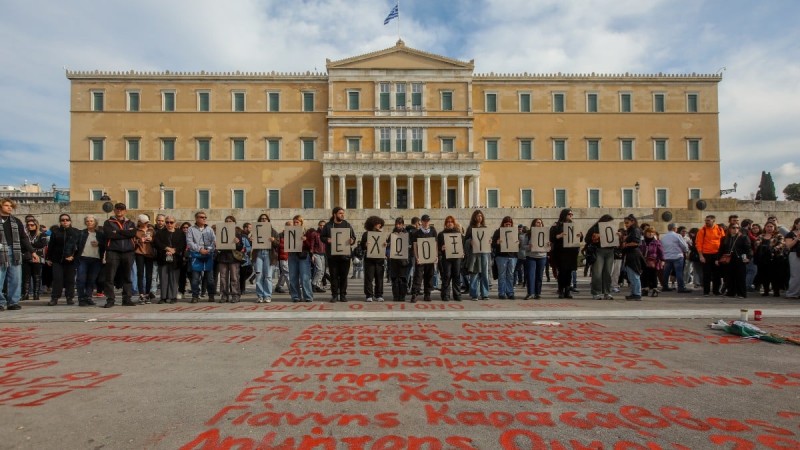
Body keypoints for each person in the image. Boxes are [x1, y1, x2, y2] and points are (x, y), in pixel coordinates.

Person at [0, 198, 39, 311]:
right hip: (1, 251)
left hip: (15, 251)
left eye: (11, 206)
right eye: (7, 205)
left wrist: (32, 252)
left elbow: (23, 238)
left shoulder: (16, 221)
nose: (9, 207)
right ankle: (1, 302)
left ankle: (13, 302)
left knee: (16, 279)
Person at [102, 203, 138, 307]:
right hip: (113, 251)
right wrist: (125, 233)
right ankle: (110, 299)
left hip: (128, 252)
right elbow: (109, 235)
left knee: (127, 276)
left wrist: (118, 232)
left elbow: (133, 233)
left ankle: (127, 299)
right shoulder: (108, 222)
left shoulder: (130, 222)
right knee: (110, 277)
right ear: (114, 210)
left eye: (122, 209)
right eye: (117, 209)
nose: (119, 211)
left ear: (125, 211)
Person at [321, 207, 356, 303]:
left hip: (345, 256)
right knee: (334, 276)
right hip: (333, 256)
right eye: (340, 213)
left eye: (343, 213)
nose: (342, 215)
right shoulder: (328, 226)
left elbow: (353, 237)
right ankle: (334, 295)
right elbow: (322, 237)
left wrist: (352, 240)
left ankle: (343, 295)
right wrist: (327, 239)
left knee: (344, 276)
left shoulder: (347, 225)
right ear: (334, 214)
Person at [46, 214, 81, 305]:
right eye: (62, 220)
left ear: (70, 221)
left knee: (70, 279)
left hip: (70, 260)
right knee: (57, 279)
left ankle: (69, 297)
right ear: (60, 222)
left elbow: (79, 247)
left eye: (67, 219)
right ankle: (55, 297)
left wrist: (73, 256)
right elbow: (51, 246)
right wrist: (48, 258)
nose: (65, 221)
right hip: (57, 260)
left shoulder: (76, 232)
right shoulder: (56, 232)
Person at [153, 215, 186, 304]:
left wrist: (174, 250)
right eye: (167, 222)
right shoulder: (160, 233)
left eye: (171, 222)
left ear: (174, 223)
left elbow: (182, 244)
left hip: (176, 259)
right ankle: (163, 297)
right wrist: (167, 248)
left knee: (174, 278)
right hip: (163, 257)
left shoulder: (180, 233)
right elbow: (156, 243)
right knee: (163, 278)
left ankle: (172, 296)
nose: (169, 224)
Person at [186, 211, 216, 303]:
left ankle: (211, 295)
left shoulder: (209, 229)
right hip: (196, 255)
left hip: (208, 255)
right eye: (201, 217)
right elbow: (190, 242)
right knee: (195, 278)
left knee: (210, 278)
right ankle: (195, 295)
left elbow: (214, 242)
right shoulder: (191, 229)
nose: (204, 219)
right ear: (196, 218)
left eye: (205, 217)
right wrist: (200, 249)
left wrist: (208, 249)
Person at [75, 215, 105, 306]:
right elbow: (74, 244)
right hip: (83, 258)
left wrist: (99, 244)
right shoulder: (81, 233)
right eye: (87, 221)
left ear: (95, 222)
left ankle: (88, 297)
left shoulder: (100, 234)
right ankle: (81, 298)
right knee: (81, 279)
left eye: (91, 221)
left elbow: (105, 245)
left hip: (95, 259)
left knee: (91, 280)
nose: (89, 223)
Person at [549, 209, 579, 299]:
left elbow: (578, 238)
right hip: (561, 252)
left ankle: (567, 291)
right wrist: (559, 236)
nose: (571, 215)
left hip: (571, 252)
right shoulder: (556, 225)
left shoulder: (573, 225)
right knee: (562, 272)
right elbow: (551, 237)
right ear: (564, 214)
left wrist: (580, 236)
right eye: (569, 214)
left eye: (572, 214)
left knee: (569, 272)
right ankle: (561, 290)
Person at [717, 222, 752, 298]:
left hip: (739, 259)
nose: (735, 229)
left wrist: (748, 258)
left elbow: (748, 249)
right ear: (729, 229)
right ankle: (731, 292)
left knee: (740, 277)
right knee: (729, 277)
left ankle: (742, 293)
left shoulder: (743, 237)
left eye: (737, 228)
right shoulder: (724, 238)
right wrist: (717, 259)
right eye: (733, 228)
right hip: (728, 259)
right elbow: (721, 250)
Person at [585, 214, 615, 300]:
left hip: (610, 251)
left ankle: (607, 292)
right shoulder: (595, 228)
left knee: (608, 273)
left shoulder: (612, 228)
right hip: (599, 250)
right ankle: (596, 292)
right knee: (597, 273)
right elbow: (587, 239)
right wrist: (595, 237)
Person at [754, 222, 788, 297]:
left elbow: (781, 244)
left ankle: (776, 291)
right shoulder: (761, 236)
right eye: (768, 226)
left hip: (775, 259)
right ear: (765, 227)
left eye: (771, 226)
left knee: (775, 276)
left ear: (774, 227)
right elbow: (756, 244)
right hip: (763, 259)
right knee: (764, 275)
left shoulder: (778, 236)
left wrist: (773, 248)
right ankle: (766, 291)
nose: (769, 228)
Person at [410, 214, 438, 302]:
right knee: (418, 276)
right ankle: (415, 294)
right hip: (420, 258)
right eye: (424, 221)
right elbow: (415, 246)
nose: (426, 222)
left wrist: (436, 256)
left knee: (429, 276)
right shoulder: (417, 233)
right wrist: (417, 257)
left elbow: (435, 245)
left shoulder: (433, 231)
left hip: (430, 258)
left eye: (427, 221)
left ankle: (427, 294)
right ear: (421, 222)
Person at [215, 216, 244, 303]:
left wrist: (238, 242)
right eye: (226, 221)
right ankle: (224, 295)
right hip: (223, 258)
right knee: (223, 278)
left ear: (234, 223)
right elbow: (218, 248)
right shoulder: (220, 232)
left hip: (233, 258)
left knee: (234, 277)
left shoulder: (238, 233)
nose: (228, 222)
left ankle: (235, 295)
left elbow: (240, 248)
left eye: (230, 221)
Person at [696, 215, 725, 297]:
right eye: (706, 220)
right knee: (706, 274)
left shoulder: (719, 229)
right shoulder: (702, 230)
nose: (706, 222)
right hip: (706, 254)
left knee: (717, 274)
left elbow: (723, 242)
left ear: (713, 220)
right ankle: (706, 291)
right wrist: (701, 256)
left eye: (708, 220)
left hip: (717, 254)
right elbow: (698, 244)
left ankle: (716, 291)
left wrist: (722, 254)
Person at [253, 213, 278, 303]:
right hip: (258, 253)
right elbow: (251, 243)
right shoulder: (255, 230)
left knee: (268, 276)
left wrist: (274, 240)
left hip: (269, 254)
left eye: (265, 219)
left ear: (268, 220)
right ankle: (260, 295)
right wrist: (251, 240)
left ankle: (267, 295)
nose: (263, 220)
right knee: (259, 275)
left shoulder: (273, 231)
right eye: (262, 219)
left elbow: (278, 244)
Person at [360, 216, 386, 302]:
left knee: (379, 278)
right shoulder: (366, 234)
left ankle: (379, 295)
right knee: (369, 278)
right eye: (378, 223)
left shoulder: (382, 234)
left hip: (379, 260)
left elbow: (384, 246)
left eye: (380, 224)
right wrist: (365, 245)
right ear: (373, 224)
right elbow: (361, 246)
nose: (379, 225)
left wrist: (385, 245)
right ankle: (369, 295)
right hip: (369, 260)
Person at [465, 210, 490, 301]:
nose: (479, 217)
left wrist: (489, 241)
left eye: (481, 216)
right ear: (474, 217)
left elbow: (487, 239)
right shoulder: (470, 228)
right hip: (474, 254)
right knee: (474, 273)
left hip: (484, 253)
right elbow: (466, 240)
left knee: (484, 274)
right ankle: (474, 294)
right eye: (477, 216)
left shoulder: (485, 228)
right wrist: (469, 242)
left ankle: (485, 293)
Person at [288, 215, 313, 303]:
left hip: (303, 256)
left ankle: (308, 296)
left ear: (301, 223)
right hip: (292, 255)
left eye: (297, 222)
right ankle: (295, 296)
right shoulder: (289, 232)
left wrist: (305, 240)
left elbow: (311, 246)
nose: (295, 224)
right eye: (294, 222)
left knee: (305, 277)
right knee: (293, 277)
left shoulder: (307, 232)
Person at [437, 215, 463, 302]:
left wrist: (462, 253)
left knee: (456, 275)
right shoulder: (441, 234)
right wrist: (442, 248)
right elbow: (437, 247)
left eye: (451, 222)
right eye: (448, 222)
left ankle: (457, 295)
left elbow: (462, 246)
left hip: (456, 258)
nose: (449, 223)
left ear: (454, 223)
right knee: (446, 276)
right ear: (445, 223)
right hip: (446, 258)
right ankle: (445, 295)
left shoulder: (458, 234)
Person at [660, 223, 691, 293]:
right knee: (679, 272)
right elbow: (684, 245)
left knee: (666, 272)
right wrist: (685, 250)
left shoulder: (664, 237)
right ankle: (681, 287)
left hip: (667, 256)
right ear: (674, 228)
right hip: (677, 256)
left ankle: (665, 286)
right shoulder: (677, 236)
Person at [21, 217, 47, 301]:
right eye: (28, 225)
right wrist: (30, 245)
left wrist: (29, 245)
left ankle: (36, 294)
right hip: (26, 257)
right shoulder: (25, 234)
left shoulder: (41, 234)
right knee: (26, 276)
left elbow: (42, 244)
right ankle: (25, 294)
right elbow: (23, 245)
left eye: (32, 225)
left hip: (38, 257)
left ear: (36, 225)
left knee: (37, 276)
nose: (30, 227)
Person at [492, 216, 518, 299]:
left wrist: (518, 243)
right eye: (506, 224)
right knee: (502, 275)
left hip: (512, 256)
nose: (508, 226)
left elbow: (518, 245)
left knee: (510, 275)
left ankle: (510, 292)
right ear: (503, 224)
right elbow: (492, 244)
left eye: (509, 224)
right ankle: (502, 292)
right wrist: (497, 242)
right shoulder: (498, 232)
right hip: (501, 256)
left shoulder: (514, 232)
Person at [522, 218, 548, 300]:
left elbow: (549, 247)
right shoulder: (528, 234)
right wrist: (529, 247)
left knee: (539, 276)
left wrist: (549, 245)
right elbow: (523, 246)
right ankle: (530, 293)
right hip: (531, 257)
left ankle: (538, 293)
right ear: (533, 224)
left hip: (542, 256)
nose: (539, 224)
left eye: (540, 222)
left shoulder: (545, 234)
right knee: (530, 275)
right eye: (537, 222)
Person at [134, 214, 156, 304]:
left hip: (149, 253)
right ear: (139, 222)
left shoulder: (151, 230)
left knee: (149, 275)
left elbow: (156, 241)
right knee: (140, 274)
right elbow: (132, 241)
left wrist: (151, 239)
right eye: (144, 222)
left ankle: (147, 293)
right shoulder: (136, 231)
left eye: (146, 222)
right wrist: (139, 240)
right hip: (139, 253)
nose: (145, 224)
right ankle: (141, 294)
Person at [621, 214, 644, 301]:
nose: (626, 224)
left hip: (634, 254)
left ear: (632, 222)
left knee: (634, 274)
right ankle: (634, 293)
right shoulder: (631, 230)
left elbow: (636, 242)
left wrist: (626, 244)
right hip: (630, 254)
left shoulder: (635, 230)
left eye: (627, 223)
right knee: (631, 275)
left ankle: (637, 293)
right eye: (625, 223)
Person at [388, 217, 411, 302]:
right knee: (394, 279)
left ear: (402, 224)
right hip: (394, 260)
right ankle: (395, 295)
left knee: (403, 279)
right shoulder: (392, 234)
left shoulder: (407, 234)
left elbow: (410, 245)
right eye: (397, 224)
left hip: (403, 260)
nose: (398, 225)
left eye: (399, 224)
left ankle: (402, 296)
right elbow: (388, 245)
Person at [640, 227, 664, 297]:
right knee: (644, 275)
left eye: (652, 233)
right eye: (649, 232)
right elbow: (639, 250)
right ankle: (645, 289)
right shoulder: (642, 241)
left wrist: (662, 260)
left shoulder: (656, 242)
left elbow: (661, 252)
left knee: (653, 275)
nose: (650, 234)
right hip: (644, 260)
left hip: (653, 261)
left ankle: (654, 289)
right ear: (645, 233)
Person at [784, 218, 800, 299]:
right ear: (796, 224)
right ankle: (792, 293)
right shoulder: (790, 234)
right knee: (796, 275)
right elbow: (788, 246)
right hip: (795, 254)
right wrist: (796, 239)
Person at [311, 220, 327, 293]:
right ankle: (313, 284)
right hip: (316, 253)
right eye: (320, 225)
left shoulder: (326, 234)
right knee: (319, 269)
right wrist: (312, 255)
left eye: (323, 225)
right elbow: (312, 245)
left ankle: (317, 285)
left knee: (323, 271)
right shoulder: (314, 234)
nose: (322, 226)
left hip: (323, 254)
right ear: (318, 225)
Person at [177, 222, 191, 300]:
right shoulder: (179, 237)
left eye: (187, 227)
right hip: (181, 258)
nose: (185, 229)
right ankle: (181, 291)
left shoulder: (192, 236)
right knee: (182, 277)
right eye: (184, 227)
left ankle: (196, 292)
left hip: (191, 258)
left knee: (192, 276)